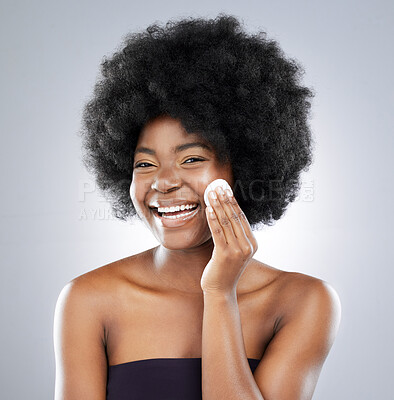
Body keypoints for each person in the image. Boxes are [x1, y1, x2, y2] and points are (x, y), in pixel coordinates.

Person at [54, 13, 341, 400]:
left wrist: (220, 293)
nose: (164, 181)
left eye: (191, 159)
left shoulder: (303, 301)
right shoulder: (88, 299)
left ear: (242, 166)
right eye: (144, 163)